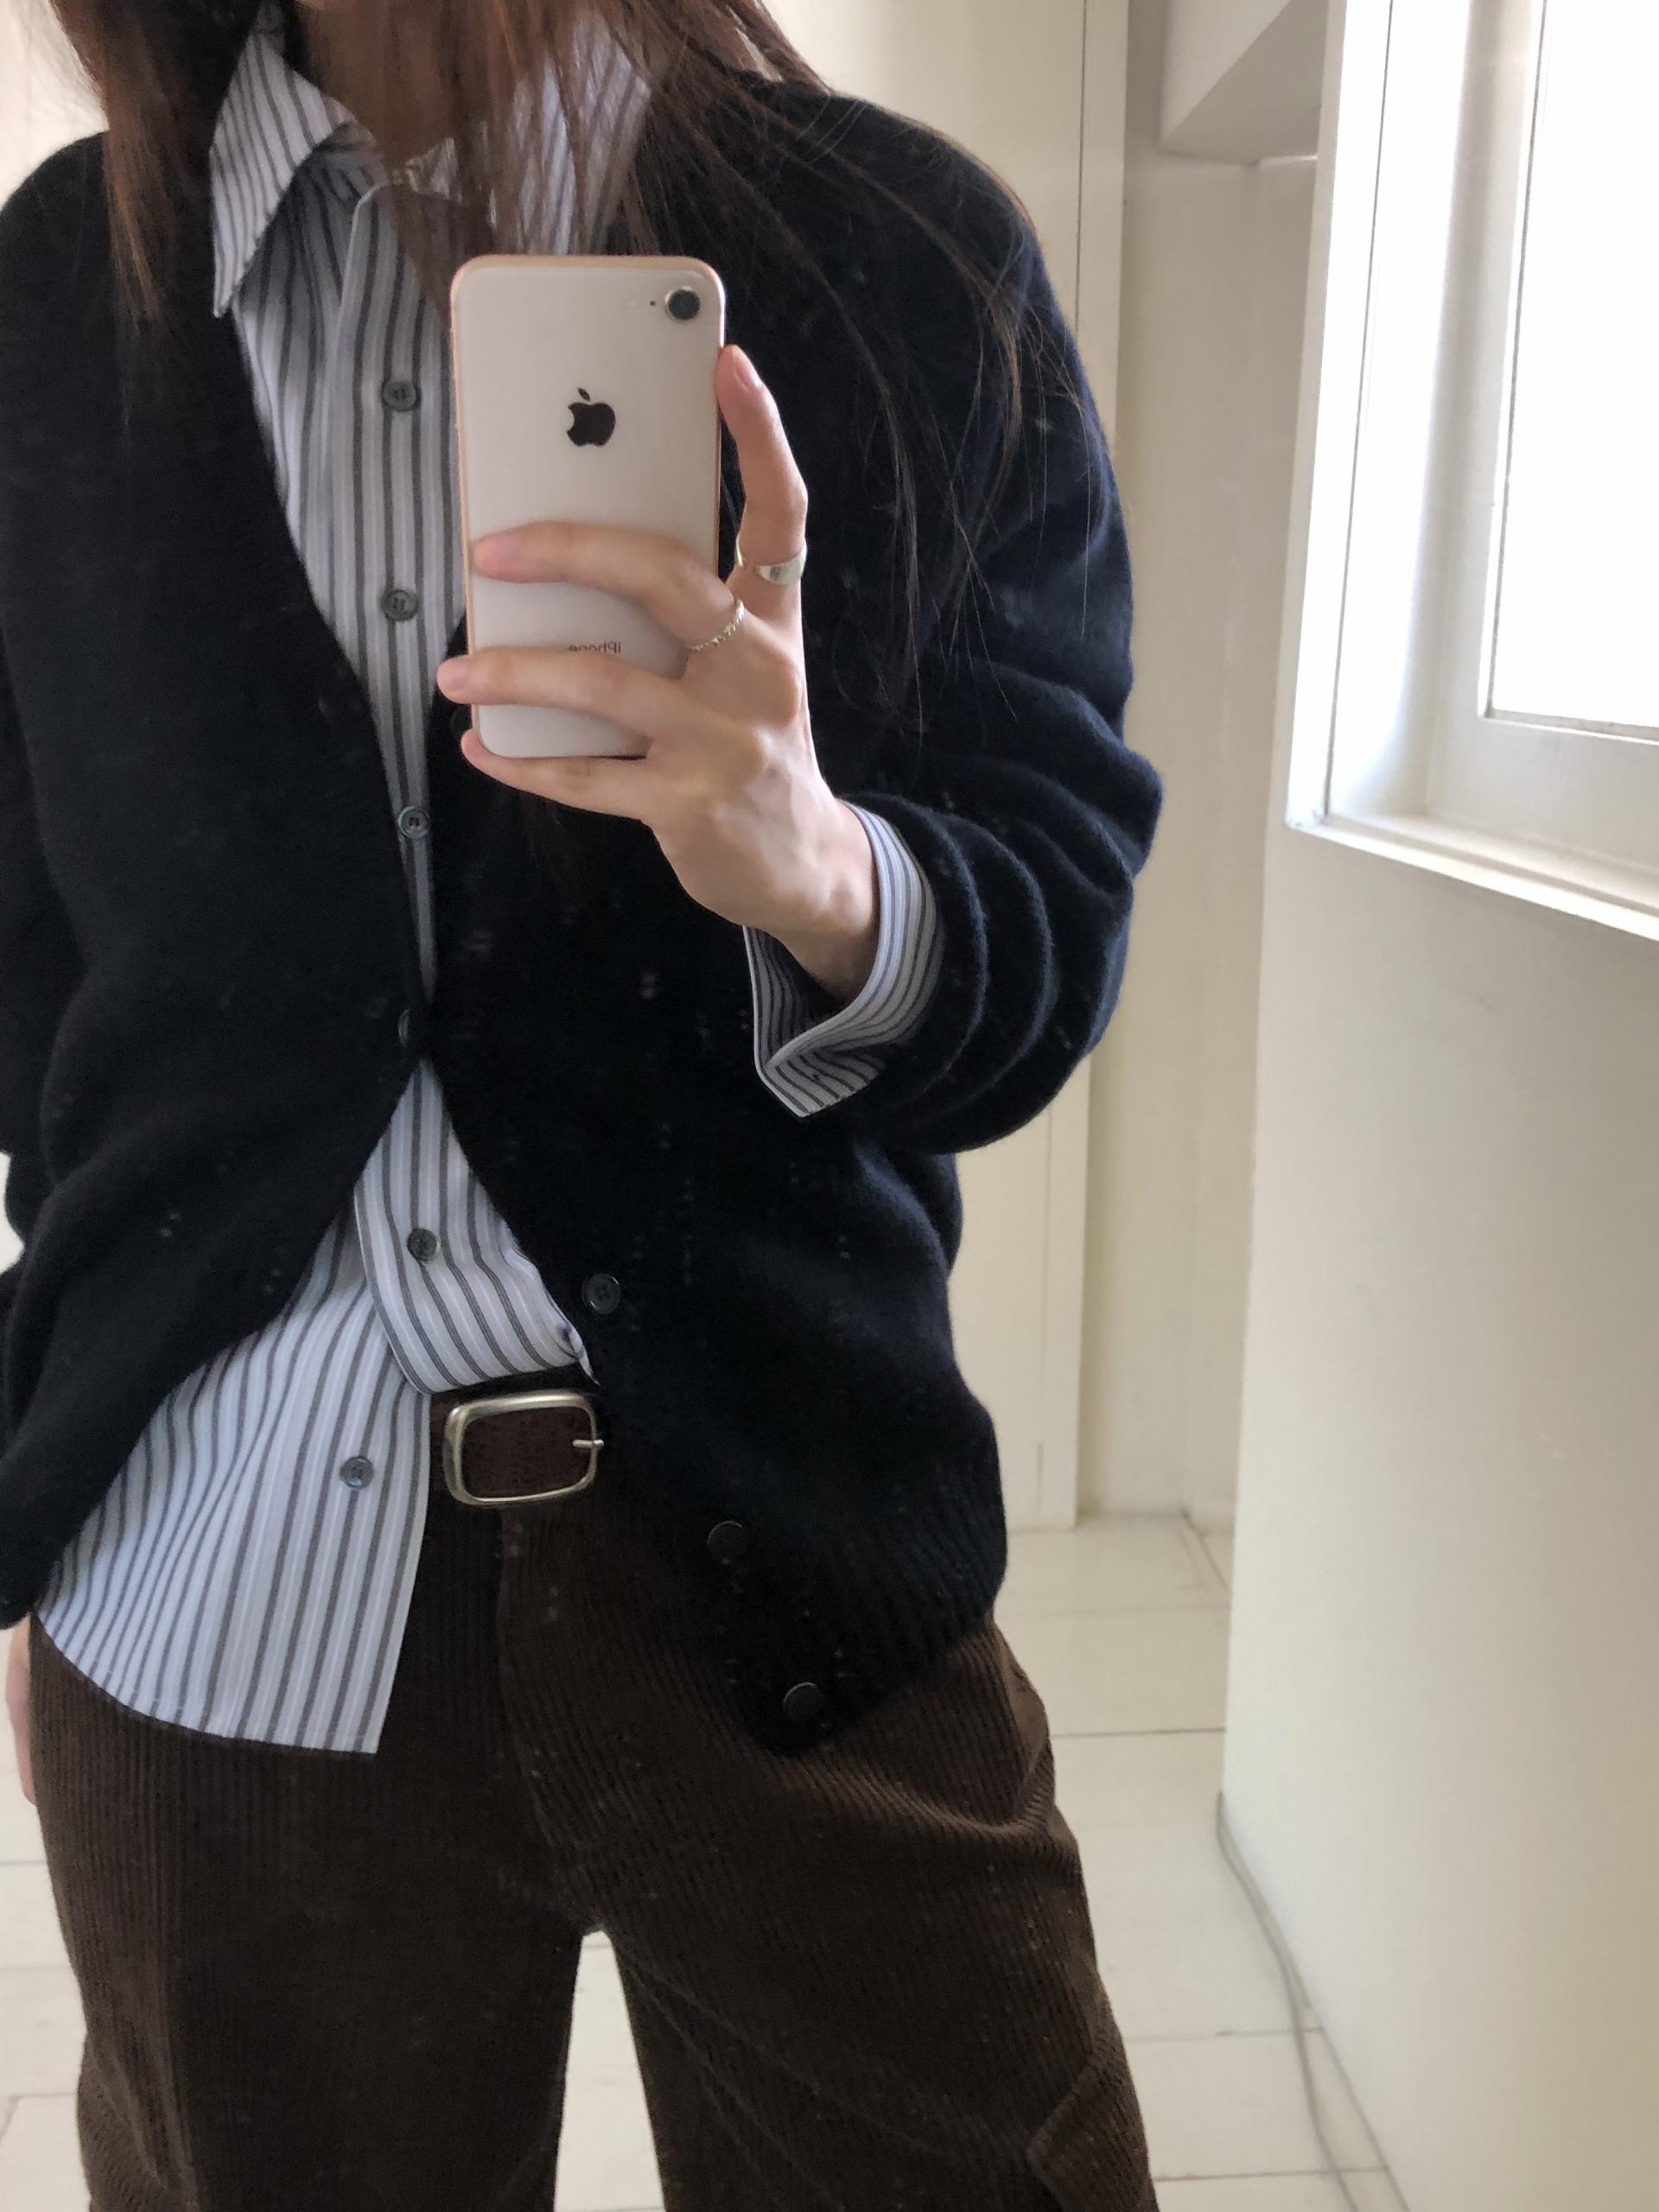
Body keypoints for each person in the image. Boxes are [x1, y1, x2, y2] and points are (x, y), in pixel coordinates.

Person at [0, 0, 1163, 2204]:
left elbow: (1054, 916)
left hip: (792, 1542)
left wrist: (820, 865)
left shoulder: (900, 257)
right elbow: (48, 1003)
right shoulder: (58, 295)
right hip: (218, 1576)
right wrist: (74, 1479)